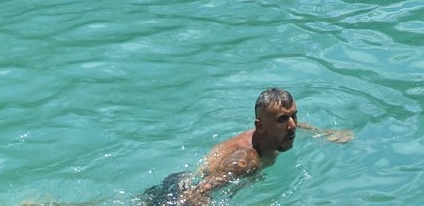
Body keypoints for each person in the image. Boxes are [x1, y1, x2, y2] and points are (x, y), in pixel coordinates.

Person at [145, 88, 351, 206]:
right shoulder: (245, 161)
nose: (293, 125)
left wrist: (326, 133)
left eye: (294, 115)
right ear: (260, 127)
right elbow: (195, 194)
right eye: (282, 119)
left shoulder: (274, 132)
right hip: (175, 195)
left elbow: (297, 125)